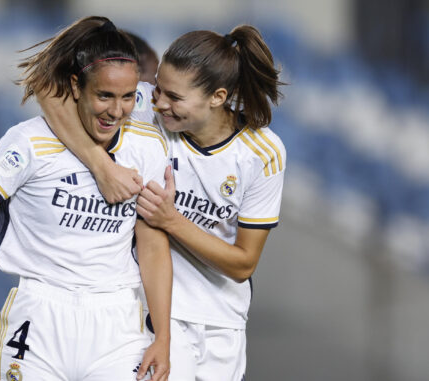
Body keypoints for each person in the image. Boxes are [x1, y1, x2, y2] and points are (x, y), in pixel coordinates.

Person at [0, 16, 173, 381]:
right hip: (39, 315)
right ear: (76, 86)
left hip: (118, 321)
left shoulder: (146, 146)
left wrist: (163, 336)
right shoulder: (28, 143)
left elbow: (153, 247)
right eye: (104, 96)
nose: (116, 110)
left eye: (127, 97)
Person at [38, 25, 285, 380]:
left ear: (216, 97)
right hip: (150, 312)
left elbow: (243, 264)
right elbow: (48, 87)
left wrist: (171, 220)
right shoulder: (146, 111)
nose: (158, 102)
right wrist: (100, 164)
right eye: (157, 88)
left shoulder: (263, 152)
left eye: (174, 97)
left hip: (223, 319)